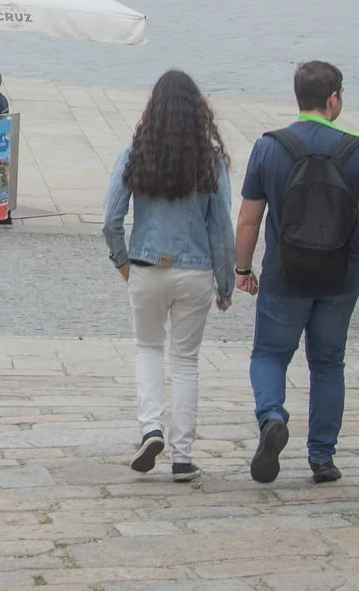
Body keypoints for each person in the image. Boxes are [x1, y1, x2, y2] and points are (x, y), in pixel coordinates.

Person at [233, 61, 359, 485]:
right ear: (333, 99)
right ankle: (322, 457)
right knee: (328, 363)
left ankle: (272, 417)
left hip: (285, 275)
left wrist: (243, 268)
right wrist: (357, 248)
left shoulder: (270, 147)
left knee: (269, 354)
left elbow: (249, 219)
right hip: (339, 278)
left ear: (297, 97)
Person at [101, 70, 234, 483]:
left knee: (147, 349)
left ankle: (150, 428)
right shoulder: (210, 160)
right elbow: (222, 228)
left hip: (145, 267)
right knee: (187, 361)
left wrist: (123, 260)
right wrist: (226, 283)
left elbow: (110, 218)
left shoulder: (135, 152)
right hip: (194, 272)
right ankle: (182, 457)